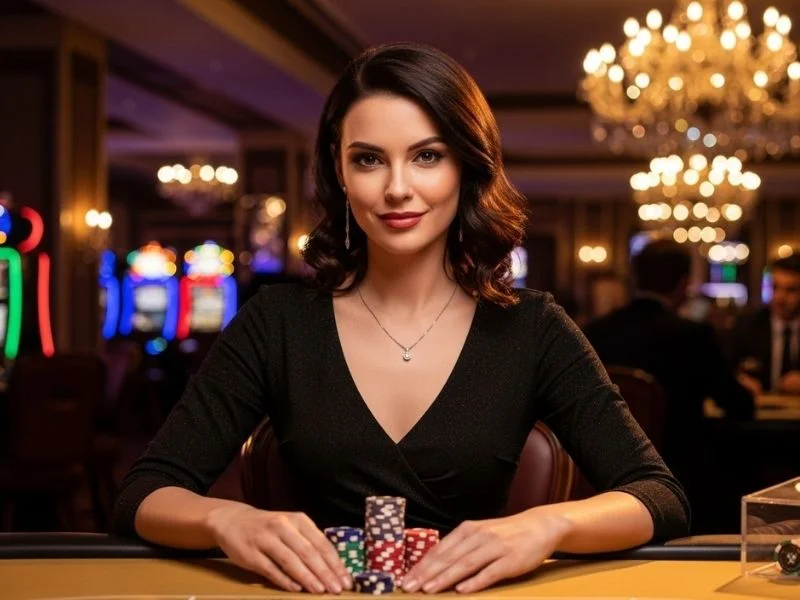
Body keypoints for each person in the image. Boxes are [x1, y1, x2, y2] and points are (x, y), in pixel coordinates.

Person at [114, 43, 689, 594]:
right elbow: (144, 493)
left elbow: (658, 496)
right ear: (339, 172)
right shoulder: (277, 323)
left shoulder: (532, 327)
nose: (396, 189)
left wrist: (545, 525)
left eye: (427, 156)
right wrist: (226, 520)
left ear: (466, 165)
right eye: (368, 159)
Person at [582, 239, 752, 532]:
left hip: (603, 474)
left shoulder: (596, 332)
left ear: (635, 278)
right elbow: (739, 405)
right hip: (683, 476)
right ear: (683, 283)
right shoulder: (693, 336)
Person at [729, 254, 800, 395]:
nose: (780, 297)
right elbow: (722, 368)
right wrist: (739, 380)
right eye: (775, 288)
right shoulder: (747, 327)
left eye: (791, 290)